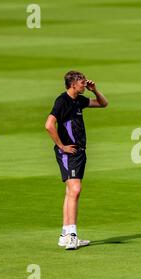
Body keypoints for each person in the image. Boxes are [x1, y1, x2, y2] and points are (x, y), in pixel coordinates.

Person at [45, 71, 108, 250]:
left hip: (79, 153)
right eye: (81, 82)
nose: (84, 83)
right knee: (75, 189)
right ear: (73, 84)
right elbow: (49, 125)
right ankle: (72, 235)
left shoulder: (79, 100)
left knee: (70, 192)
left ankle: (65, 235)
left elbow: (103, 104)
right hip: (69, 153)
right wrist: (62, 146)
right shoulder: (62, 101)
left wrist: (94, 90)